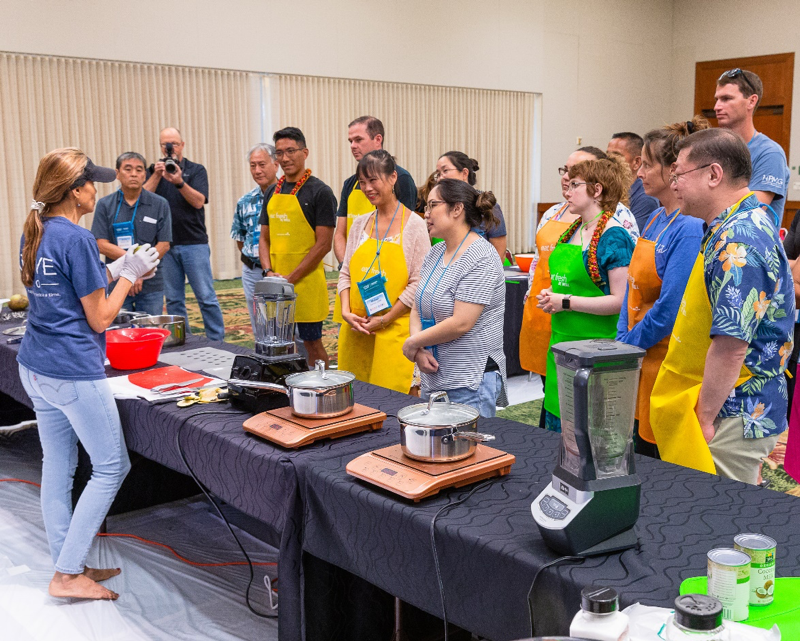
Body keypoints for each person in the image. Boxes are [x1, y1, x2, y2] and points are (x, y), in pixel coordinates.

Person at [17, 148, 160, 600]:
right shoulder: (77, 238)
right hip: (71, 370)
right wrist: (128, 274)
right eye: (91, 183)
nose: (97, 190)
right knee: (112, 466)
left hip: (35, 366)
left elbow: (63, 289)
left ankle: (68, 565)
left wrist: (113, 269)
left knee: (59, 467)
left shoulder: (37, 230)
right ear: (74, 191)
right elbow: (99, 318)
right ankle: (66, 573)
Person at [650, 128, 794, 485]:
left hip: (735, 411)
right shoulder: (730, 226)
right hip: (729, 404)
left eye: (678, 174)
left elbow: (731, 347)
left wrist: (704, 419)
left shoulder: (740, 239)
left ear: (714, 174)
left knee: (719, 522)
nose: (674, 185)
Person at [519, 146, 639, 428]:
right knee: (558, 425)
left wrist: (566, 302)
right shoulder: (571, 231)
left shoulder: (614, 236)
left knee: (590, 431)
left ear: (597, 190)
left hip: (597, 353)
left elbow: (620, 300)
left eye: (575, 185)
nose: (567, 191)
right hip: (561, 346)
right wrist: (552, 295)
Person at [615, 118, 708, 457]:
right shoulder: (655, 217)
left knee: (659, 459)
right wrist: (621, 336)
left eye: (646, 164)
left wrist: (627, 344)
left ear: (673, 171)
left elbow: (670, 309)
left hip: (664, 362)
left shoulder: (689, 227)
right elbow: (631, 289)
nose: (638, 173)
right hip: (638, 355)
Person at [402, 179, 507, 417]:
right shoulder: (436, 251)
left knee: (467, 452)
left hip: (469, 381)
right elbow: (418, 306)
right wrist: (418, 348)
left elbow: (461, 322)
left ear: (457, 209)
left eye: (432, 205)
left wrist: (411, 343)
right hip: (434, 376)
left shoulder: (481, 256)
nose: (426, 214)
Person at [337, 151, 430, 393]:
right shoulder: (359, 224)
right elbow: (346, 272)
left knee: (393, 403)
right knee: (355, 400)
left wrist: (385, 319)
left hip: (395, 330)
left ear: (392, 178)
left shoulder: (414, 226)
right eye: (362, 182)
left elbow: (418, 283)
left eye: (373, 180)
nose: (367, 188)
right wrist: (346, 311)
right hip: (358, 330)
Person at [259, 127, 336, 367]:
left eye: (290, 151)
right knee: (281, 341)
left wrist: (291, 279)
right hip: (277, 284)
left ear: (305, 152)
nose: (284, 158)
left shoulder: (320, 192)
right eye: (279, 153)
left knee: (313, 343)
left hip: (306, 284)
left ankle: (322, 388)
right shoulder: (272, 190)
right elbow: (264, 238)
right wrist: (268, 273)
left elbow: (323, 244)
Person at [143, 127, 225, 341]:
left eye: (174, 144)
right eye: (165, 145)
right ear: (160, 146)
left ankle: (217, 340)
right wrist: (157, 175)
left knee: (206, 297)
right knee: (173, 300)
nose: (170, 149)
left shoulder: (196, 170)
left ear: (182, 145)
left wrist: (179, 181)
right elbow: (141, 199)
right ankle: (184, 341)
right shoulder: (153, 171)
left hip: (193, 242)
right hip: (165, 245)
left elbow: (199, 201)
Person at [91, 152, 171, 316]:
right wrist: (133, 266)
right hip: (116, 279)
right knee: (119, 330)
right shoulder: (105, 204)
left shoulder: (160, 204)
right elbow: (100, 243)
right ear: (117, 174)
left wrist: (140, 271)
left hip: (151, 281)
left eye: (139, 170)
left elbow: (164, 244)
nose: (134, 174)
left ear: (144, 175)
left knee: (150, 331)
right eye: (128, 169)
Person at [333, 116, 417, 265]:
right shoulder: (349, 184)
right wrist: (346, 267)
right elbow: (340, 234)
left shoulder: (402, 179)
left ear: (378, 139)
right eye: (350, 141)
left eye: (358, 140)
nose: (353, 145)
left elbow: (407, 234)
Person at [715, 69, 790, 224]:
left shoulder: (770, 153)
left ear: (751, 101)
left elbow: (747, 213)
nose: (717, 106)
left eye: (726, 99)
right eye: (717, 99)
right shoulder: (716, 151)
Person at [231, 143, 280, 332]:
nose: (257, 170)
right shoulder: (245, 201)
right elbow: (240, 239)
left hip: (282, 271)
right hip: (253, 272)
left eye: (262, 164)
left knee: (290, 328)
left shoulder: (289, 196)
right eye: (253, 166)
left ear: (275, 165)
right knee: (260, 326)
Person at [435, 152, 507, 259]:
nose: (440, 178)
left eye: (445, 171)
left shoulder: (487, 205)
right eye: (438, 174)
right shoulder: (440, 206)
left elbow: (499, 254)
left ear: (464, 173)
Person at [608, 132, 660, 232]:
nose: (608, 160)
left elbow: (630, 241)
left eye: (616, 155)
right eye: (607, 154)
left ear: (636, 162)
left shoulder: (645, 200)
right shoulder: (606, 190)